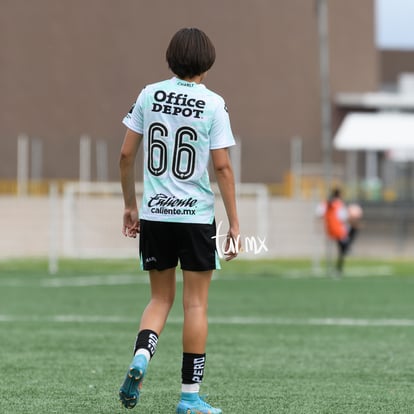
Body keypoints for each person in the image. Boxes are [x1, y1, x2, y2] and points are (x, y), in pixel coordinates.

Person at [118, 27, 240, 413]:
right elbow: (221, 166)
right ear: (208, 62)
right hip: (195, 217)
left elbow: (125, 155)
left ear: (170, 59)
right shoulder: (214, 104)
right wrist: (234, 224)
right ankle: (189, 399)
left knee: (159, 298)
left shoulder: (148, 94)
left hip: (155, 213)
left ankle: (142, 356)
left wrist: (129, 205)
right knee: (196, 306)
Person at [321, 187, 360, 274]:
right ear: (339, 195)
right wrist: (354, 220)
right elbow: (344, 217)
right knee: (353, 230)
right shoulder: (339, 205)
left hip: (329, 229)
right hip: (338, 230)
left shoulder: (327, 203)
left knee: (341, 249)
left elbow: (320, 213)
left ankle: (339, 266)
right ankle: (347, 248)